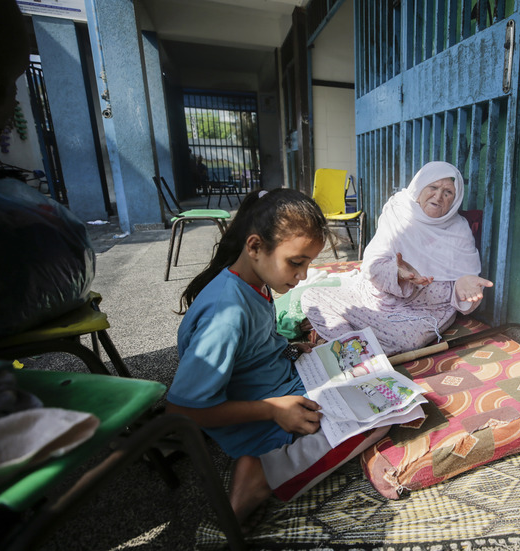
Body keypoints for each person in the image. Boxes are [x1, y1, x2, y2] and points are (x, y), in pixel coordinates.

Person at [165, 189, 388, 523]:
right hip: (261, 416)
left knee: (365, 371)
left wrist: (286, 347)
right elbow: (181, 410)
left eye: (308, 264)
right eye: (296, 263)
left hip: (278, 385)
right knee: (380, 416)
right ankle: (263, 472)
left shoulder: (250, 281)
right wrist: (272, 411)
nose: (302, 276)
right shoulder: (225, 315)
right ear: (255, 246)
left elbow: (252, 348)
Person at [299, 161, 493, 356]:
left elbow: (464, 283)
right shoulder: (398, 212)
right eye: (433, 187)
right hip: (376, 300)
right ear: (419, 187)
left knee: (409, 340)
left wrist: (462, 284)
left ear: (455, 199)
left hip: (421, 314)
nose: (438, 196)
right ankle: (357, 348)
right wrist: (397, 273)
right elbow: (373, 265)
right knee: (312, 297)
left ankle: (346, 345)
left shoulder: (459, 230)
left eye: (448, 192)